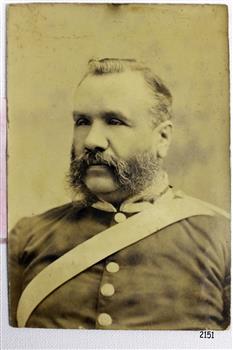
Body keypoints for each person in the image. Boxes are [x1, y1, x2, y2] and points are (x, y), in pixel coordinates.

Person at [8, 58, 230, 330]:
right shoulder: (28, 237)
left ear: (162, 139)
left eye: (114, 121)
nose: (91, 141)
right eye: (82, 121)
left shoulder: (222, 239)